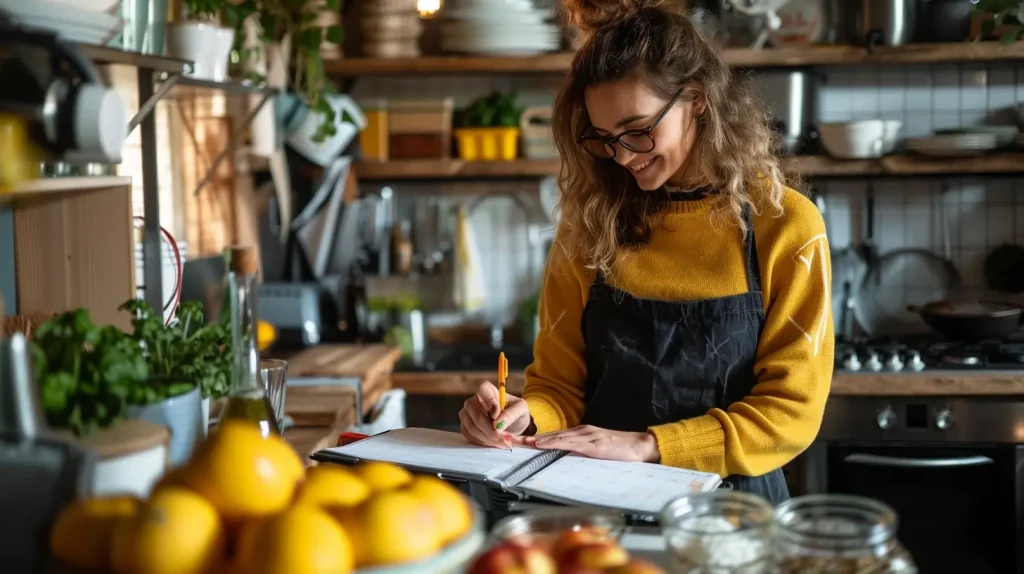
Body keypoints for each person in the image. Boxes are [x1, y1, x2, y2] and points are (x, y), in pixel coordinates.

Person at [457, 0, 833, 504]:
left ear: (696, 100)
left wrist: (648, 445)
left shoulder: (785, 225)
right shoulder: (590, 226)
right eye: (605, 139)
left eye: (638, 130)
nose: (625, 157)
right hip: (598, 505)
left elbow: (791, 412)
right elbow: (561, 387)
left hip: (734, 514)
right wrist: (522, 414)